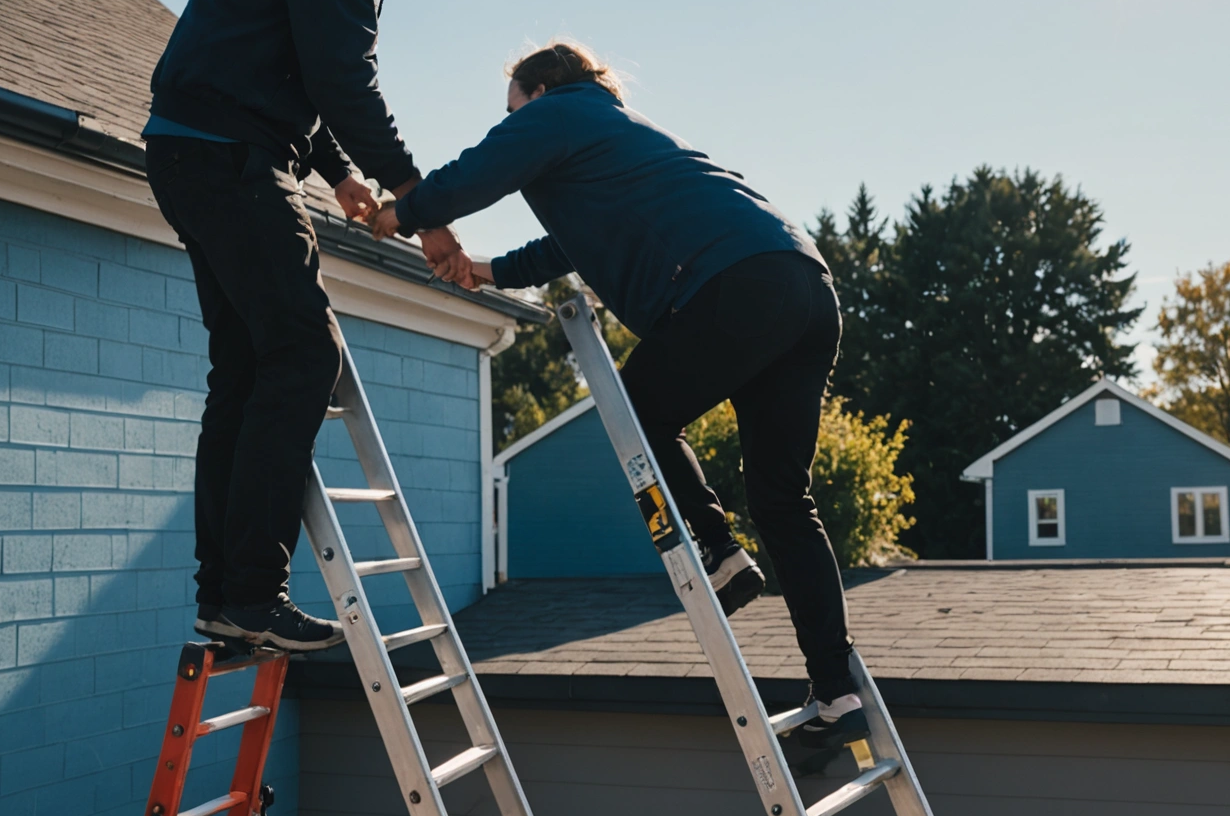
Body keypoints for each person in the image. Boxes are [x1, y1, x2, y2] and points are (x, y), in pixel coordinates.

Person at [370, 42, 870, 759]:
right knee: (786, 501)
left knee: (638, 413)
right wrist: (485, 270)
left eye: (512, 109)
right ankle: (836, 690)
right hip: (802, 284)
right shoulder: (617, 138)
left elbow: (477, 172)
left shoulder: (560, 112)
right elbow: (568, 247)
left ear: (538, 92)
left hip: (734, 283)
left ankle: (719, 550)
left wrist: (406, 212)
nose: (509, 121)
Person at [143, 0, 501, 651]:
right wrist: (419, 203)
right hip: (228, 156)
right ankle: (253, 593)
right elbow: (342, 76)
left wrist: (337, 172)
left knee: (244, 368)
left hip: (204, 148)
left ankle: (224, 597)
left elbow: (294, 66)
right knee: (306, 354)